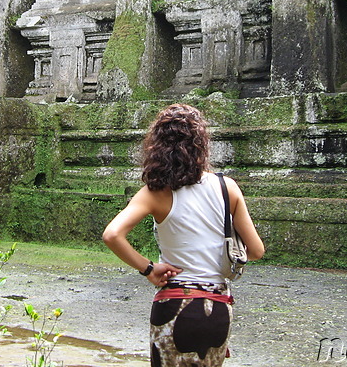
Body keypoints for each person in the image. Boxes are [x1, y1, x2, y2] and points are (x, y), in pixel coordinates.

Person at [103, 104, 265, 366]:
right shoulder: (227, 188)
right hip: (218, 308)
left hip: (174, 305)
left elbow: (112, 235)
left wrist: (149, 269)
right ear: (201, 144)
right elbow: (256, 251)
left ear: (156, 145)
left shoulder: (155, 193)